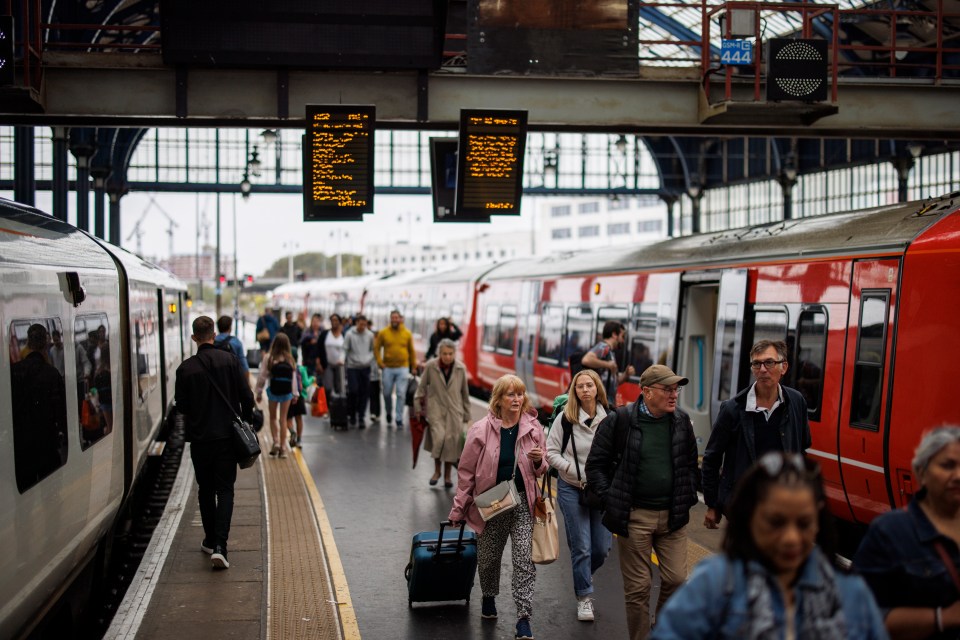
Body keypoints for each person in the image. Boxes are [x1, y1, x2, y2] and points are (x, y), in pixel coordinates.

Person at [652, 451, 888, 639]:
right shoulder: (712, 585)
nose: (791, 538)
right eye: (776, 522)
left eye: (804, 523)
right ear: (751, 519)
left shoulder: (852, 596)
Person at [584, 364, 699, 640]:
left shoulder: (681, 421)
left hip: (673, 516)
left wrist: (689, 494)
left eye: (676, 389)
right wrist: (611, 499)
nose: (674, 395)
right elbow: (595, 465)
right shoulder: (619, 420)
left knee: (676, 580)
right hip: (635, 515)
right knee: (639, 588)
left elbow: (690, 465)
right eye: (668, 389)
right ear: (647, 392)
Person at [449, 374, 546, 640]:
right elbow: (466, 473)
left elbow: (543, 469)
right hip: (492, 504)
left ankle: (523, 617)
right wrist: (458, 510)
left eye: (520, 394)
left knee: (524, 560)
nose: (517, 400)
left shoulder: (533, 427)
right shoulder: (481, 430)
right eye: (510, 395)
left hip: (523, 504)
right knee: (489, 558)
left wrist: (538, 462)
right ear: (499, 399)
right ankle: (489, 596)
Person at [854, 427, 960, 639]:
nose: (958, 475)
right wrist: (942, 617)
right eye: (947, 465)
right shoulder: (888, 531)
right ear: (921, 472)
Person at [702, 339, 811, 530]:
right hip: (743, 506)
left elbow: (801, 451)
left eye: (769, 362)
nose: (762, 369)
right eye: (756, 364)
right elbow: (712, 458)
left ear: (783, 367)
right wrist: (713, 504)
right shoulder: (733, 408)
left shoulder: (796, 402)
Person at [174, 316, 256, 570]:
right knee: (226, 489)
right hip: (226, 438)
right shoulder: (229, 360)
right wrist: (248, 422)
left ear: (194, 337)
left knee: (205, 490)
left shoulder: (185, 369)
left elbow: (182, 407)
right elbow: (247, 396)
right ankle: (221, 546)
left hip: (200, 440)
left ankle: (210, 540)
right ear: (213, 335)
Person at [545, 369, 612, 623]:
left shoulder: (610, 418)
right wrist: (577, 472)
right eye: (580, 386)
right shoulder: (566, 418)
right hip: (571, 487)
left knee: (601, 548)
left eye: (590, 385)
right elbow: (551, 453)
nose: (585, 389)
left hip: (601, 489)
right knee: (581, 546)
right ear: (574, 390)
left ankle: (583, 573)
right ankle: (584, 598)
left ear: (597, 389)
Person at [11, 323, 68, 493]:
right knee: (51, 497)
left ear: (28, 342)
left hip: (21, 449)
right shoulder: (52, 374)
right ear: (46, 343)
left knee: (23, 504)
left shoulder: (13, 372)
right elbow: (62, 413)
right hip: (47, 447)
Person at [415, 338, 471, 488]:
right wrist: (418, 408)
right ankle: (437, 471)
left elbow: (465, 393)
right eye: (444, 353)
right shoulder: (431, 366)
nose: (447, 357)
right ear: (439, 353)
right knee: (439, 440)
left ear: (454, 353)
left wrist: (467, 416)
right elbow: (421, 388)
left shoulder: (461, 368)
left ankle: (447, 476)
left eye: (450, 354)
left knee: (451, 444)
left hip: (455, 411)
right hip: (436, 411)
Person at [255, 333, 301, 459]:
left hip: (273, 391)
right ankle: (283, 448)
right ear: (287, 345)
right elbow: (293, 379)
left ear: (274, 343)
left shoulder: (269, 357)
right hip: (287, 393)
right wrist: (295, 394)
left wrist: (258, 392)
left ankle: (275, 442)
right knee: (283, 419)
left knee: (273, 418)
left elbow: (262, 376)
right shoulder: (290, 359)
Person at [374, 309, 416, 429]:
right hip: (388, 368)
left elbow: (411, 351)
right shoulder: (383, 333)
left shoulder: (407, 333)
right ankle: (388, 412)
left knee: (401, 393)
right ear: (390, 318)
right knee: (386, 393)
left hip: (403, 367)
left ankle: (398, 418)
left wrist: (413, 366)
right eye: (393, 317)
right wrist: (380, 362)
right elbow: (376, 348)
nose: (395, 320)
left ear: (400, 319)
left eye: (397, 318)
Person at [580, 321, 635, 407]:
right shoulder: (603, 346)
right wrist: (608, 364)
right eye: (622, 336)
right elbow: (586, 359)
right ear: (614, 335)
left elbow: (615, 382)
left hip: (607, 403)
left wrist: (626, 374)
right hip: (599, 403)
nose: (623, 341)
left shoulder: (610, 352)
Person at [343, 314, 375, 428]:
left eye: (365, 325)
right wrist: (343, 360)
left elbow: (373, 349)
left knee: (364, 392)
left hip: (365, 367)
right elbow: (345, 349)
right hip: (352, 367)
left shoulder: (370, 335)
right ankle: (351, 414)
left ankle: (361, 416)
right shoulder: (349, 334)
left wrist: (369, 359)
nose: (363, 327)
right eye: (361, 324)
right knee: (353, 391)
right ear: (356, 323)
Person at [299, 313, 325, 378]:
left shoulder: (322, 333)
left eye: (317, 321)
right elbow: (302, 342)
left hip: (320, 362)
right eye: (314, 321)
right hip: (308, 360)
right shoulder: (307, 332)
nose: (315, 323)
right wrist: (309, 341)